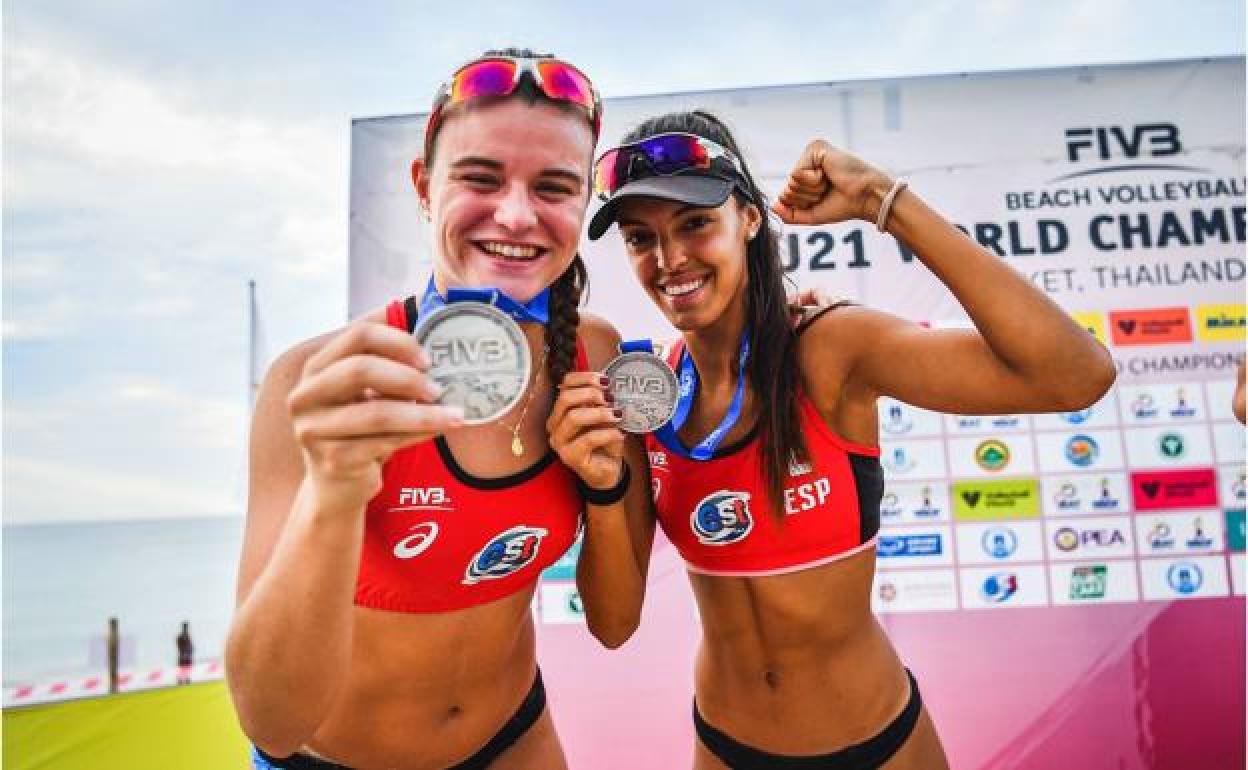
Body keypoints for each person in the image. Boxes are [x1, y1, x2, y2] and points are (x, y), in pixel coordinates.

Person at [570, 111, 1116, 769]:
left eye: (694, 224)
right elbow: (612, 624)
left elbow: (1077, 375)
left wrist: (883, 201)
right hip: (725, 745)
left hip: (877, 746)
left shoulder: (829, 348)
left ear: (748, 219)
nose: (669, 259)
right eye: (639, 238)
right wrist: (604, 489)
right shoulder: (645, 397)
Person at [225, 49, 651, 770]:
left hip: (513, 740)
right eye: (481, 178)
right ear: (425, 185)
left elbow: (615, 625)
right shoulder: (322, 382)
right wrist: (332, 494)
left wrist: (606, 489)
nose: (516, 215)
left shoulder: (593, 356)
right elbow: (269, 719)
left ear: (582, 204)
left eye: (554, 187)